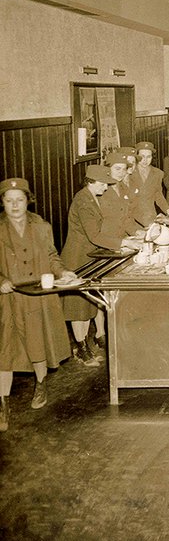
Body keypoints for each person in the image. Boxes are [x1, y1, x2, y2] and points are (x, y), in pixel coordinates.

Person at [0, 178, 76, 430]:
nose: (14, 205)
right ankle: (3, 403)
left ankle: (40, 385)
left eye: (19, 200)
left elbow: (52, 256)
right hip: (8, 298)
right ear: (2, 202)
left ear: (28, 200)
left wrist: (63, 272)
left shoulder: (41, 226)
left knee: (37, 340)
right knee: (5, 349)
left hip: (37, 296)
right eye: (9, 201)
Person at [62, 165, 141, 366]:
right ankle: (81, 349)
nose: (106, 188)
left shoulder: (91, 197)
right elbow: (94, 235)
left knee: (87, 306)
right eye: (103, 184)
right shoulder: (83, 201)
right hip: (77, 257)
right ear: (91, 182)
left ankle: (84, 346)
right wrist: (123, 243)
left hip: (89, 255)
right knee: (78, 308)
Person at [130, 141, 169, 226]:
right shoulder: (130, 172)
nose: (145, 160)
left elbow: (158, 195)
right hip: (132, 218)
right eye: (142, 156)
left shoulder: (158, 173)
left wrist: (168, 210)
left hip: (149, 216)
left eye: (148, 157)